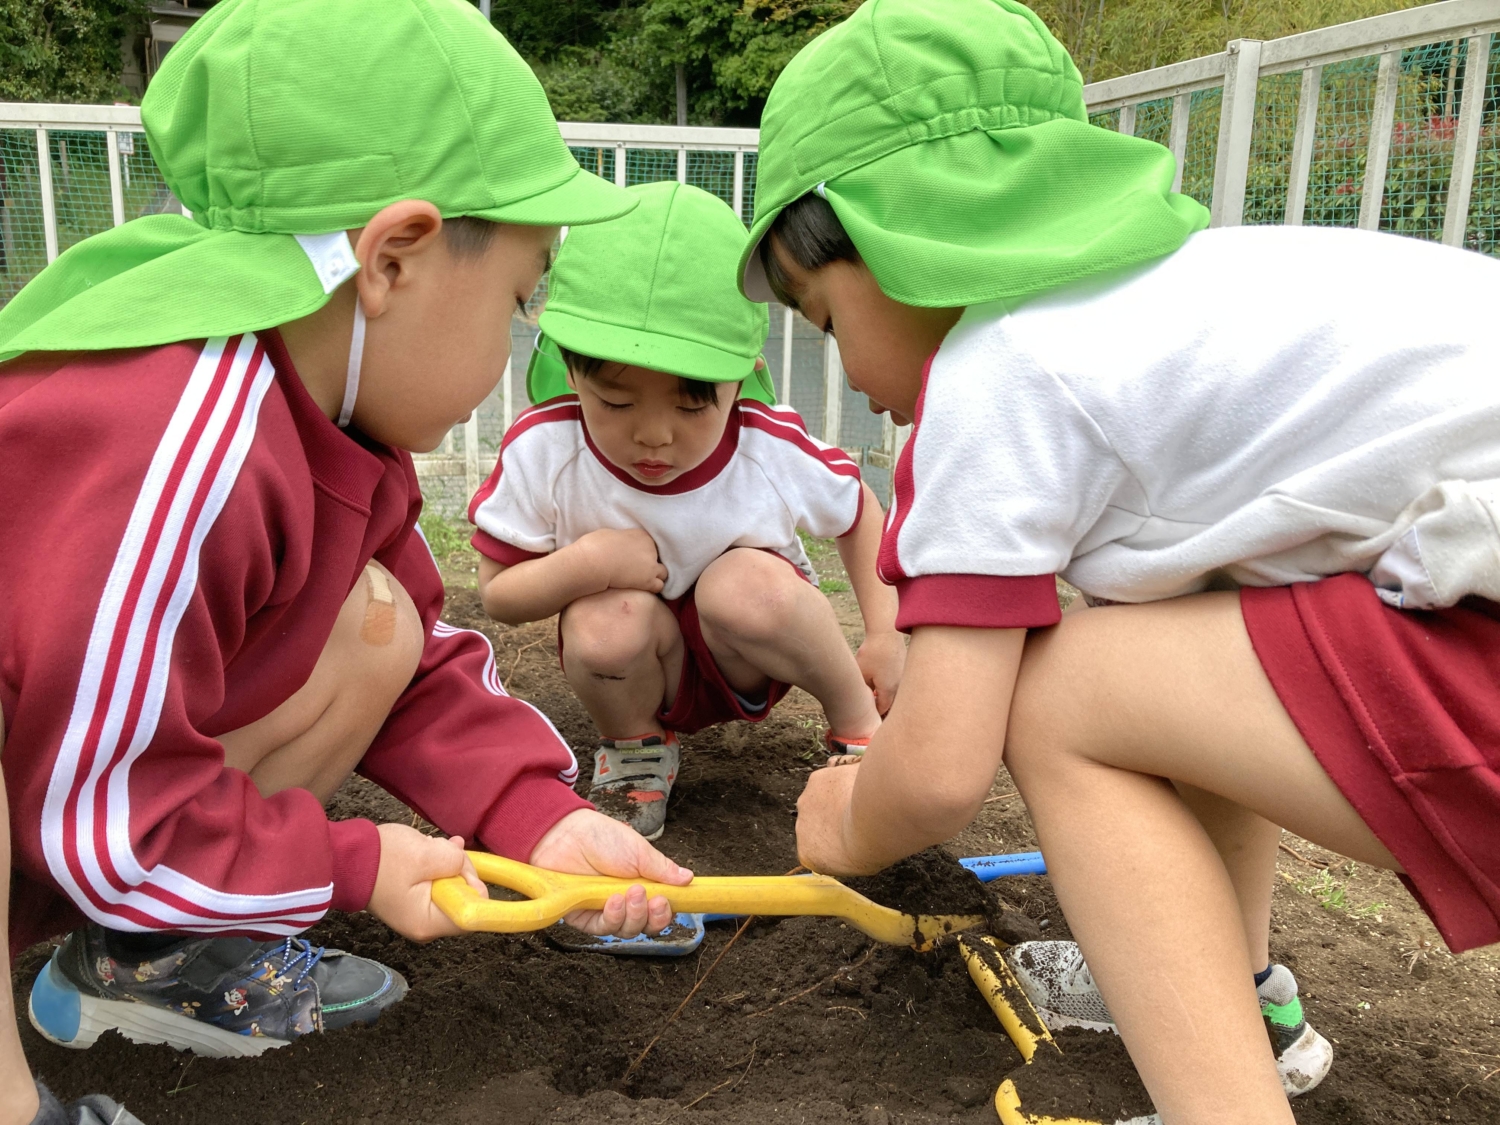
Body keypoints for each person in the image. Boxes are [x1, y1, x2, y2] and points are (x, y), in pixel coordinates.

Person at [739, 1, 1500, 1122]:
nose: (845, 369)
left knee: (1052, 699)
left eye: (823, 314)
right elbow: (1198, 655)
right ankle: (1238, 1000)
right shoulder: (1181, 307)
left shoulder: (1003, 364)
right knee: (1163, 657)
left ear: (897, 242)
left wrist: (849, 820)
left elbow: (941, 773)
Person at [0, 0, 689, 1072]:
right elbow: (106, 814)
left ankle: (155, 953)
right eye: (519, 296)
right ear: (393, 259)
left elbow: (414, 658)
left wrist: (534, 817)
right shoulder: (184, 442)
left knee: (376, 619)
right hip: (63, 811)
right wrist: (351, 864)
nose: (518, 338)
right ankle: (146, 938)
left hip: (64, 791)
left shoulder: (327, 411)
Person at [471, 181, 902, 841]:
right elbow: (499, 593)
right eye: (616, 402)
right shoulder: (545, 449)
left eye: (692, 405)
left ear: (742, 375)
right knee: (601, 620)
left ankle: (857, 723)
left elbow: (857, 509)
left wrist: (885, 634)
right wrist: (587, 563)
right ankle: (636, 749)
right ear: (571, 369)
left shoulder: (763, 446)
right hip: (638, 665)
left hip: (747, 652)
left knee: (743, 584)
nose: (654, 435)